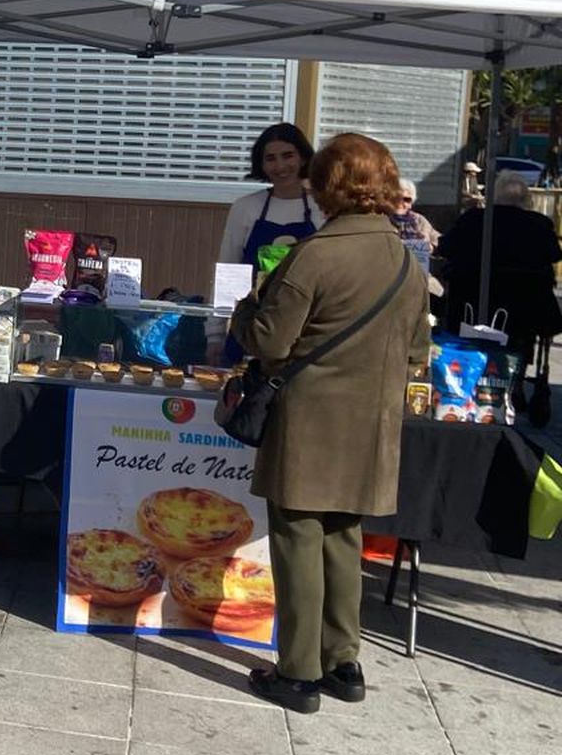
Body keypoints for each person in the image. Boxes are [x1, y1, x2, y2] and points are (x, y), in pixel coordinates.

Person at [230, 133, 431, 715]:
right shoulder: (404, 260)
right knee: (345, 537)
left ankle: (298, 673)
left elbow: (270, 340)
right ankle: (345, 662)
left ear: (324, 186)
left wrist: (246, 309)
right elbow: (418, 351)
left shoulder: (314, 254)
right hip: (370, 426)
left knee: (298, 538)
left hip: (308, 422)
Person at [438, 171, 562, 390]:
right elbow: (554, 255)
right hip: (522, 314)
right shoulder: (539, 225)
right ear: (527, 199)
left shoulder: (474, 220)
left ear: (494, 196)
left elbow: (445, 247)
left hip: (470, 308)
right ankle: (517, 377)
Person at [219, 122, 325, 272]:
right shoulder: (245, 207)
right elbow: (229, 266)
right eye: (270, 158)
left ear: (303, 159)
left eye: (287, 156)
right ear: (261, 165)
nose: (280, 166)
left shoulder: (323, 206)